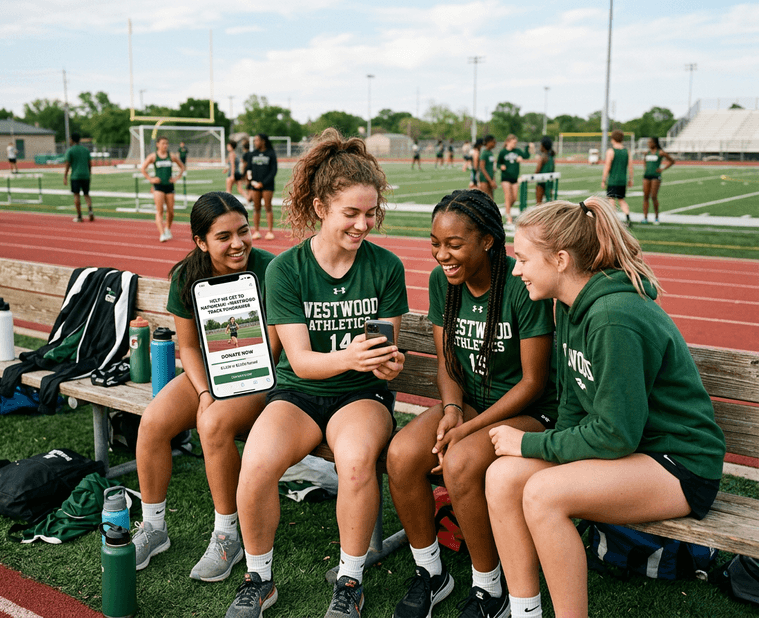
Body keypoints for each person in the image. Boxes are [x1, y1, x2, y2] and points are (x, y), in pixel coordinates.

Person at [486, 196, 726, 618]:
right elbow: (574, 410)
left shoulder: (614, 316)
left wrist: (529, 445)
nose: (516, 270)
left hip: (678, 463)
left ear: (560, 259)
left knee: (543, 495)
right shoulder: (568, 307)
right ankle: (524, 610)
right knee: (503, 476)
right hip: (633, 452)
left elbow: (616, 434)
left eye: (522, 258)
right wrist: (538, 447)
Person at [225, 128, 408, 618]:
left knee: (353, 464)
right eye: (352, 213)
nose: (364, 224)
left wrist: (387, 361)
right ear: (320, 207)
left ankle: (350, 580)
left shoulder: (386, 266)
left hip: (361, 397)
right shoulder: (286, 269)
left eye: (370, 213)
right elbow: (300, 361)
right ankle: (258, 578)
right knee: (258, 464)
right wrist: (350, 355)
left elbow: (383, 352)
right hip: (298, 393)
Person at [387, 189, 557, 618]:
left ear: (487, 241)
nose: (442, 254)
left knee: (460, 461)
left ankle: (490, 587)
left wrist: (466, 429)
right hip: (470, 408)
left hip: (528, 414)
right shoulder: (440, 281)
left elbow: (534, 382)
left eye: (454, 244)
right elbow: (448, 361)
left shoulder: (519, 285)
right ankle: (431, 572)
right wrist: (451, 411)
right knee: (403, 453)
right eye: (435, 243)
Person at [132, 191, 278, 581]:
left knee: (212, 425)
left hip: (262, 375)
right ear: (200, 241)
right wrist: (204, 393)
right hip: (213, 373)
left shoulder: (272, 269)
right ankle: (153, 527)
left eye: (243, 232)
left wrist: (229, 391)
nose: (238, 244)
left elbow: (278, 347)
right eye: (224, 236)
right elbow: (190, 347)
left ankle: (227, 535)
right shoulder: (186, 275)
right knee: (152, 424)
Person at [141, 136, 186, 242]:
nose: (165, 145)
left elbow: (182, 166)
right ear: (157, 144)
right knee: (159, 211)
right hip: (158, 187)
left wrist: (176, 178)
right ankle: (162, 234)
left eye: (166, 143)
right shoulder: (153, 156)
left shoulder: (171, 156)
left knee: (171, 212)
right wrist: (151, 179)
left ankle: (167, 229)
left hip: (169, 187)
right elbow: (143, 168)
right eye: (163, 143)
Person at [248, 133, 278, 240]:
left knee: (268, 207)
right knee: (256, 208)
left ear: (263, 141)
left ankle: (270, 232)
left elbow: (273, 171)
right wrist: (251, 182)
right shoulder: (252, 154)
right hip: (255, 186)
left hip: (267, 185)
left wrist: (263, 183)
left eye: (257, 140)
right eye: (254, 140)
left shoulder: (270, 153)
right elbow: (249, 170)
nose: (255, 142)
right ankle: (256, 231)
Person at [601, 129, 634, 226]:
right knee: (621, 199)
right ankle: (628, 218)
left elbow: (607, 166)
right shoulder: (626, 151)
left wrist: (603, 179)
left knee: (611, 199)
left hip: (613, 180)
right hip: (623, 180)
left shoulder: (611, 151)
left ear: (613, 139)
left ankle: (614, 220)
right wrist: (630, 179)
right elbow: (630, 166)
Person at [497, 135, 530, 226]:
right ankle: (509, 217)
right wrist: (501, 166)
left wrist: (527, 148)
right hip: (505, 178)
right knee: (508, 197)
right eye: (513, 142)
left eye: (516, 143)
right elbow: (498, 163)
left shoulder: (517, 151)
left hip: (514, 178)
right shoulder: (503, 152)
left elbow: (526, 156)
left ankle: (507, 210)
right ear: (508, 142)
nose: (515, 144)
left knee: (514, 198)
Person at [642, 137, 674, 225]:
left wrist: (662, 169)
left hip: (655, 177)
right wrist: (645, 167)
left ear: (655, 143)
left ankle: (656, 217)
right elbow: (644, 161)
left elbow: (672, 161)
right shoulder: (647, 152)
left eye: (650, 142)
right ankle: (645, 217)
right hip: (646, 176)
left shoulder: (660, 152)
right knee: (645, 196)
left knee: (653, 196)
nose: (648, 144)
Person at [63, 133, 94, 223]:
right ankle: (90, 211)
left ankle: (79, 216)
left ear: (72, 140)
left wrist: (65, 176)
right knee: (86, 194)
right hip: (85, 175)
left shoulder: (70, 150)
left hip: (75, 176)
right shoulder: (85, 150)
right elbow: (90, 163)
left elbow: (67, 164)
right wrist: (89, 173)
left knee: (76, 195)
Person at [534, 136, 556, 205]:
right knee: (549, 201)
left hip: (541, 181)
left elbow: (537, 170)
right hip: (549, 181)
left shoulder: (543, 157)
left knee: (539, 203)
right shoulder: (552, 157)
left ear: (543, 146)